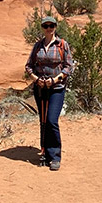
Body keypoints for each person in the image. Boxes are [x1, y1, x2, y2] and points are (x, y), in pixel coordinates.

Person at [24, 16, 73, 170]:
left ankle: (55, 156)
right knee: (43, 120)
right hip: (40, 88)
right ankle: (44, 152)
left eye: (51, 26)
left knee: (52, 120)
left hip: (57, 88)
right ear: (42, 28)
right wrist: (35, 78)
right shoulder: (37, 46)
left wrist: (56, 79)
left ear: (55, 27)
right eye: (46, 26)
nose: (49, 28)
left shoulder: (62, 45)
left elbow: (69, 66)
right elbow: (29, 66)